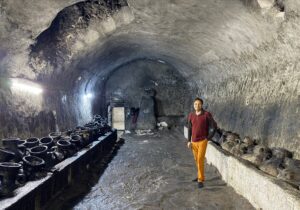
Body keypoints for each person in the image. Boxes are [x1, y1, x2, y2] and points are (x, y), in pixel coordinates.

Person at [187, 97, 217, 188]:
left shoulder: (206, 114)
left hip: (202, 141)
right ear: (193, 105)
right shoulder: (191, 115)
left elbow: (214, 126)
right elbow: (189, 128)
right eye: (195, 104)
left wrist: (208, 138)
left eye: (199, 104)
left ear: (202, 105)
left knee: (200, 159)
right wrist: (189, 141)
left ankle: (200, 180)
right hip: (194, 142)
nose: (197, 105)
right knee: (197, 160)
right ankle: (200, 175)